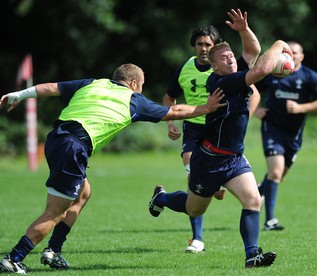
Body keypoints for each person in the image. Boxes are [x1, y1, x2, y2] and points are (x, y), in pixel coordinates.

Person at [0, 63, 226, 274]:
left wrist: (19, 94)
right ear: (134, 83)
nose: (141, 89)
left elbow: (52, 87)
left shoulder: (93, 83)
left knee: (83, 193)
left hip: (56, 140)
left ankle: (53, 251)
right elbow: (174, 112)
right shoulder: (133, 99)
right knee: (55, 211)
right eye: (142, 85)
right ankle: (14, 258)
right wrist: (207, 107)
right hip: (74, 146)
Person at [148, 35, 294, 267]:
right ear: (214, 66)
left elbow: (252, 51)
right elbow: (264, 68)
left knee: (253, 200)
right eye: (224, 58)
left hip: (234, 158)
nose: (230, 60)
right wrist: (279, 44)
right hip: (209, 160)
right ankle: (162, 198)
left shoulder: (235, 74)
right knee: (193, 208)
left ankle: (252, 255)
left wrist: (244, 29)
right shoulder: (223, 83)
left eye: (231, 56)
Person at [163, 8, 261, 253]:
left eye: (208, 44)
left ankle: (251, 253)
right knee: (193, 184)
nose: (203, 48)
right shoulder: (188, 69)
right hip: (195, 130)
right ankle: (197, 238)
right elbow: (169, 97)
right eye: (199, 44)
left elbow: (254, 83)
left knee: (219, 197)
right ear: (194, 46)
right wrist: (171, 123)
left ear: (216, 46)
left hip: (221, 134)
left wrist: (242, 114)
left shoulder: (229, 67)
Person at [254, 41, 317, 231]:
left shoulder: (310, 77)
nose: (291, 55)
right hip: (272, 129)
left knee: (278, 176)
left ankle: (257, 192)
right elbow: (249, 87)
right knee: (276, 172)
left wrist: (300, 108)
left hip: (294, 135)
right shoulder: (272, 74)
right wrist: (255, 109)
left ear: (301, 56)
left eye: (295, 52)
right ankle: (270, 221)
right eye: (288, 52)